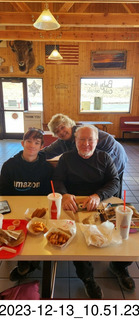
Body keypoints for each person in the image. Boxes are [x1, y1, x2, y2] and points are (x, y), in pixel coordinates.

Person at [53, 125, 135, 299]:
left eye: (90, 139)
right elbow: (57, 180)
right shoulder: (66, 158)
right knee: (79, 245)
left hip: (100, 205)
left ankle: (119, 266)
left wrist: (99, 195)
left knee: (129, 237)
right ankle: (88, 278)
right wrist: (65, 194)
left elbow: (114, 181)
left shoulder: (104, 157)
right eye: (81, 139)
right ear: (75, 140)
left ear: (97, 141)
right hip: (73, 208)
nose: (86, 144)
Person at [0, 128, 54, 281]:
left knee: (37, 233)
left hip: (38, 209)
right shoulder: (9, 166)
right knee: (16, 233)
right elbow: (3, 193)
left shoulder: (47, 168)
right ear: (22, 143)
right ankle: (24, 263)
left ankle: (33, 261)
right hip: (16, 207)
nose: (32, 145)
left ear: (41, 147)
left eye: (37, 143)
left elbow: (46, 195)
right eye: (29, 141)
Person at [41, 113, 128, 197]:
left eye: (62, 127)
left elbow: (109, 142)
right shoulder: (61, 142)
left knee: (110, 185)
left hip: (116, 156)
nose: (61, 132)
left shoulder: (85, 132)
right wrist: (31, 155)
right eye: (57, 131)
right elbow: (48, 152)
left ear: (69, 124)